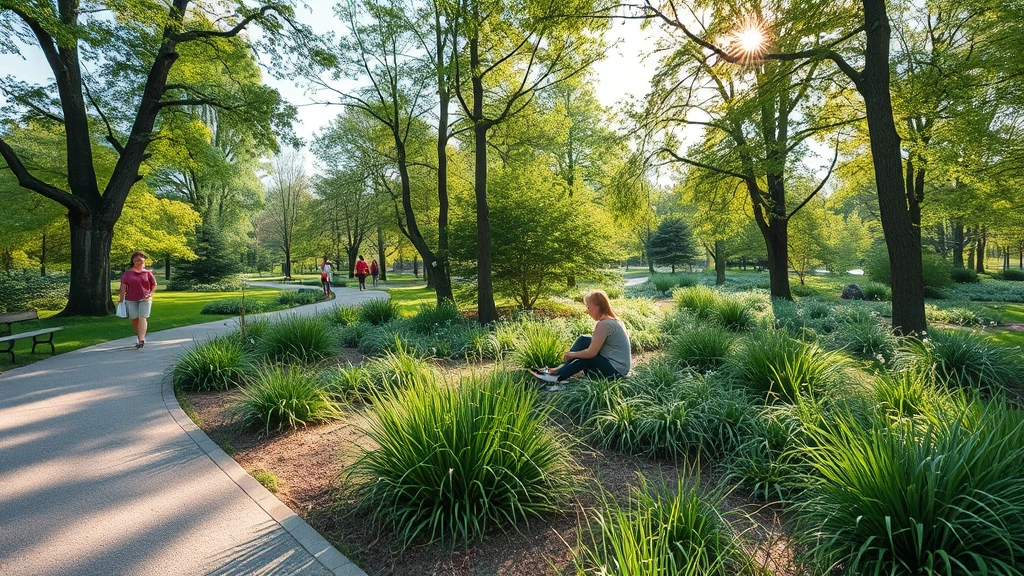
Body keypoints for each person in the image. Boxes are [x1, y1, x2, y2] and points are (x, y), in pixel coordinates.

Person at [532, 290, 631, 384]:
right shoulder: (614, 320)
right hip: (613, 364)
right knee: (583, 340)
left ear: (596, 308)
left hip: (616, 372)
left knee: (587, 358)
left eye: (588, 307)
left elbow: (591, 353)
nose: (588, 311)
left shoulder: (604, 324)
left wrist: (572, 354)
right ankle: (561, 368)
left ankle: (558, 375)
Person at [119, 251, 157, 349]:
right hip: (131, 299)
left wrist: (150, 293)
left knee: (142, 317)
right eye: (136, 261)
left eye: (140, 260)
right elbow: (123, 286)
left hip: (145, 299)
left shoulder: (148, 273)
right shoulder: (128, 273)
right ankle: (140, 336)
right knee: (134, 318)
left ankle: (141, 340)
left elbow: (154, 284)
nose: (138, 262)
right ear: (133, 261)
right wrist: (121, 298)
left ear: (144, 260)